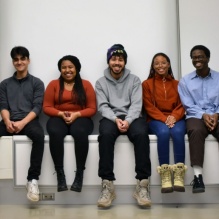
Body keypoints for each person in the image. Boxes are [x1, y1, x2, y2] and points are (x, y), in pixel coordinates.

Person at [95, 44, 151, 208]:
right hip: (111, 117)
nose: (117, 63)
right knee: (105, 134)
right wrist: (115, 119)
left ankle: (142, 184)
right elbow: (103, 106)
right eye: (114, 59)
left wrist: (128, 120)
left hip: (132, 117)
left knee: (141, 134)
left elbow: (136, 105)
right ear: (108, 61)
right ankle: (107, 185)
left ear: (124, 62)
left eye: (120, 59)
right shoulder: (100, 82)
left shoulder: (134, 80)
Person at [43, 55, 96, 193]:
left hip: (81, 118)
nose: (67, 70)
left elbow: (92, 108)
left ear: (77, 68)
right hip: (58, 117)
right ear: (60, 69)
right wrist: (61, 113)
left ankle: (79, 174)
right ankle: (60, 175)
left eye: (70, 67)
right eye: (64, 67)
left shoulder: (86, 85)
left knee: (79, 131)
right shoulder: (53, 84)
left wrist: (77, 114)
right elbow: (47, 107)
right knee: (54, 131)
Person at [0, 46, 45, 202]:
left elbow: (37, 107)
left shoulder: (37, 83)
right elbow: (3, 106)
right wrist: (7, 121)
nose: (19, 62)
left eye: (22, 59)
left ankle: (32, 180)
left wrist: (22, 123)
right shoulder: (5, 84)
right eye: (16, 59)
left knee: (39, 136)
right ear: (13, 62)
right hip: (9, 120)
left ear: (28, 60)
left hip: (29, 121)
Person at [142, 53, 187, 194]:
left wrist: (173, 116)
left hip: (176, 118)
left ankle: (179, 173)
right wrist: (164, 118)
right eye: (157, 63)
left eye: (163, 62)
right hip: (155, 119)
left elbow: (183, 104)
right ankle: (165, 174)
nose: (160, 65)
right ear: (153, 66)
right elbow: (148, 106)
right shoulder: (146, 84)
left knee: (178, 132)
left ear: (168, 64)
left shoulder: (177, 84)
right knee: (163, 132)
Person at [178, 45, 219, 193]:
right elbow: (187, 104)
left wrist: (216, 114)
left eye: (200, 57)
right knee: (195, 130)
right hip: (195, 116)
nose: (197, 60)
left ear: (207, 58)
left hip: (217, 115)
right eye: (194, 58)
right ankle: (198, 178)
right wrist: (203, 115)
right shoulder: (185, 81)